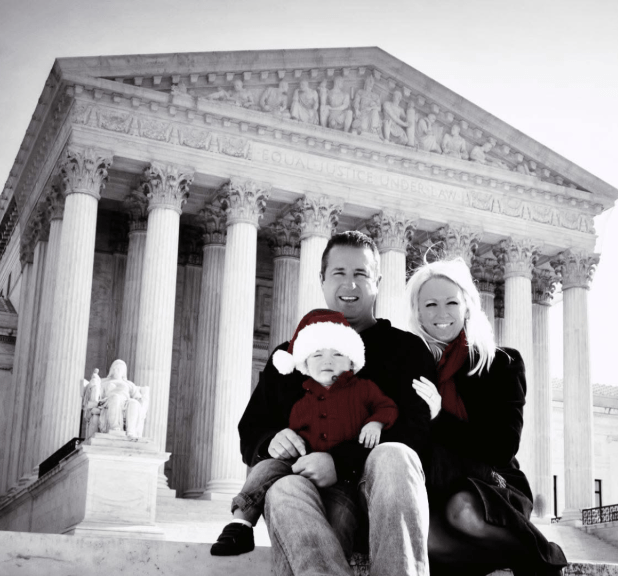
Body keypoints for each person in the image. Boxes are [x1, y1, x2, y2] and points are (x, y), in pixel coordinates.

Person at [238, 230, 437, 575]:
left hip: (386, 495)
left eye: (361, 274)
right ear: (322, 280)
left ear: (377, 280)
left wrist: (340, 463)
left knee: (395, 455)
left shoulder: (406, 351)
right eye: (339, 274)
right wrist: (272, 441)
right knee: (283, 488)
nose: (351, 284)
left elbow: (415, 432)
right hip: (309, 497)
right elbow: (251, 430)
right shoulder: (289, 356)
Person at [406, 259, 568, 576]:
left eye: (452, 302)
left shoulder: (500, 363)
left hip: (495, 486)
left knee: (463, 511)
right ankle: (500, 559)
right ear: (418, 312)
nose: (442, 313)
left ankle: (541, 558)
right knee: (426, 541)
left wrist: (440, 416)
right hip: (435, 485)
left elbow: (502, 446)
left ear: (467, 306)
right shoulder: (411, 368)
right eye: (431, 304)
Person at [212, 308, 398, 556]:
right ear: (305, 365)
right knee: (265, 468)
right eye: (317, 354)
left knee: (340, 517)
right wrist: (278, 442)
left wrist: (375, 423)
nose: (327, 360)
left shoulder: (364, 389)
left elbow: (387, 407)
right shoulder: (301, 400)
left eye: (338, 354)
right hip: (297, 467)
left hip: (343, 480)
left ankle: (334, 568)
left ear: (352, 361)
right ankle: (241, 523)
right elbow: (275, 431)